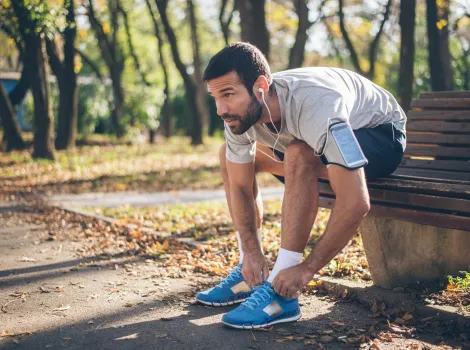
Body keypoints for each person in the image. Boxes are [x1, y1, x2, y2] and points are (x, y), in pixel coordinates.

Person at [195, 42, 406, 329]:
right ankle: (250, 275)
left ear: (260, 86)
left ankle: (283, 295)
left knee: (299, 154)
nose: (221, 109)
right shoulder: (239, 115)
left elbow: (356, 202)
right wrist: (252, 250)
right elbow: (241, 187)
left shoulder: (319, 107)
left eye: (228, 94)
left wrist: (306, 269)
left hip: (381, 135)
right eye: (215, 97)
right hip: (311, 139)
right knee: (231, 157)